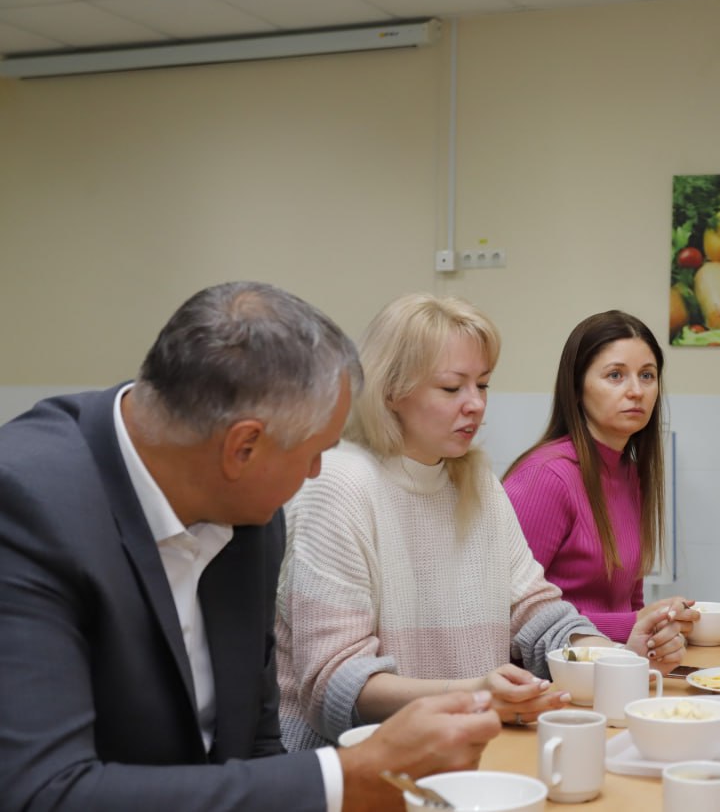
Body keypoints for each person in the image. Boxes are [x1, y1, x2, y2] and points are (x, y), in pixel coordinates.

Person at [0, 281, 500, 811]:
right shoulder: (28, 507)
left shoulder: (246, 510)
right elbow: (42, 793)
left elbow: (254, 745)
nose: (316, 473)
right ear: (244, 447)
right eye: (313, 453)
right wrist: (343, 777)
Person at [275, 294, 687, 750]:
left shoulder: (477, 482)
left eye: (483, 385)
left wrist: (613, 658)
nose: (475, 404)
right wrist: (474, 694)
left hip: (468, 749)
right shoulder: (340, 484)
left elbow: (537, 613)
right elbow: (335, 684)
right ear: (391, 391)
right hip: (357, 766)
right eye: (452, 388)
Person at [503, 310, 697, 642]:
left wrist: (654, 631)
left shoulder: (630, 473)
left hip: (612, 662)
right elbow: (508, 612)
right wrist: (633, 624)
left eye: (647, 375)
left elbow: (630, 602)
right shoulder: (545, 477)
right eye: (615, 375)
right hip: (549, 669)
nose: (636, 391)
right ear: (577, 388)